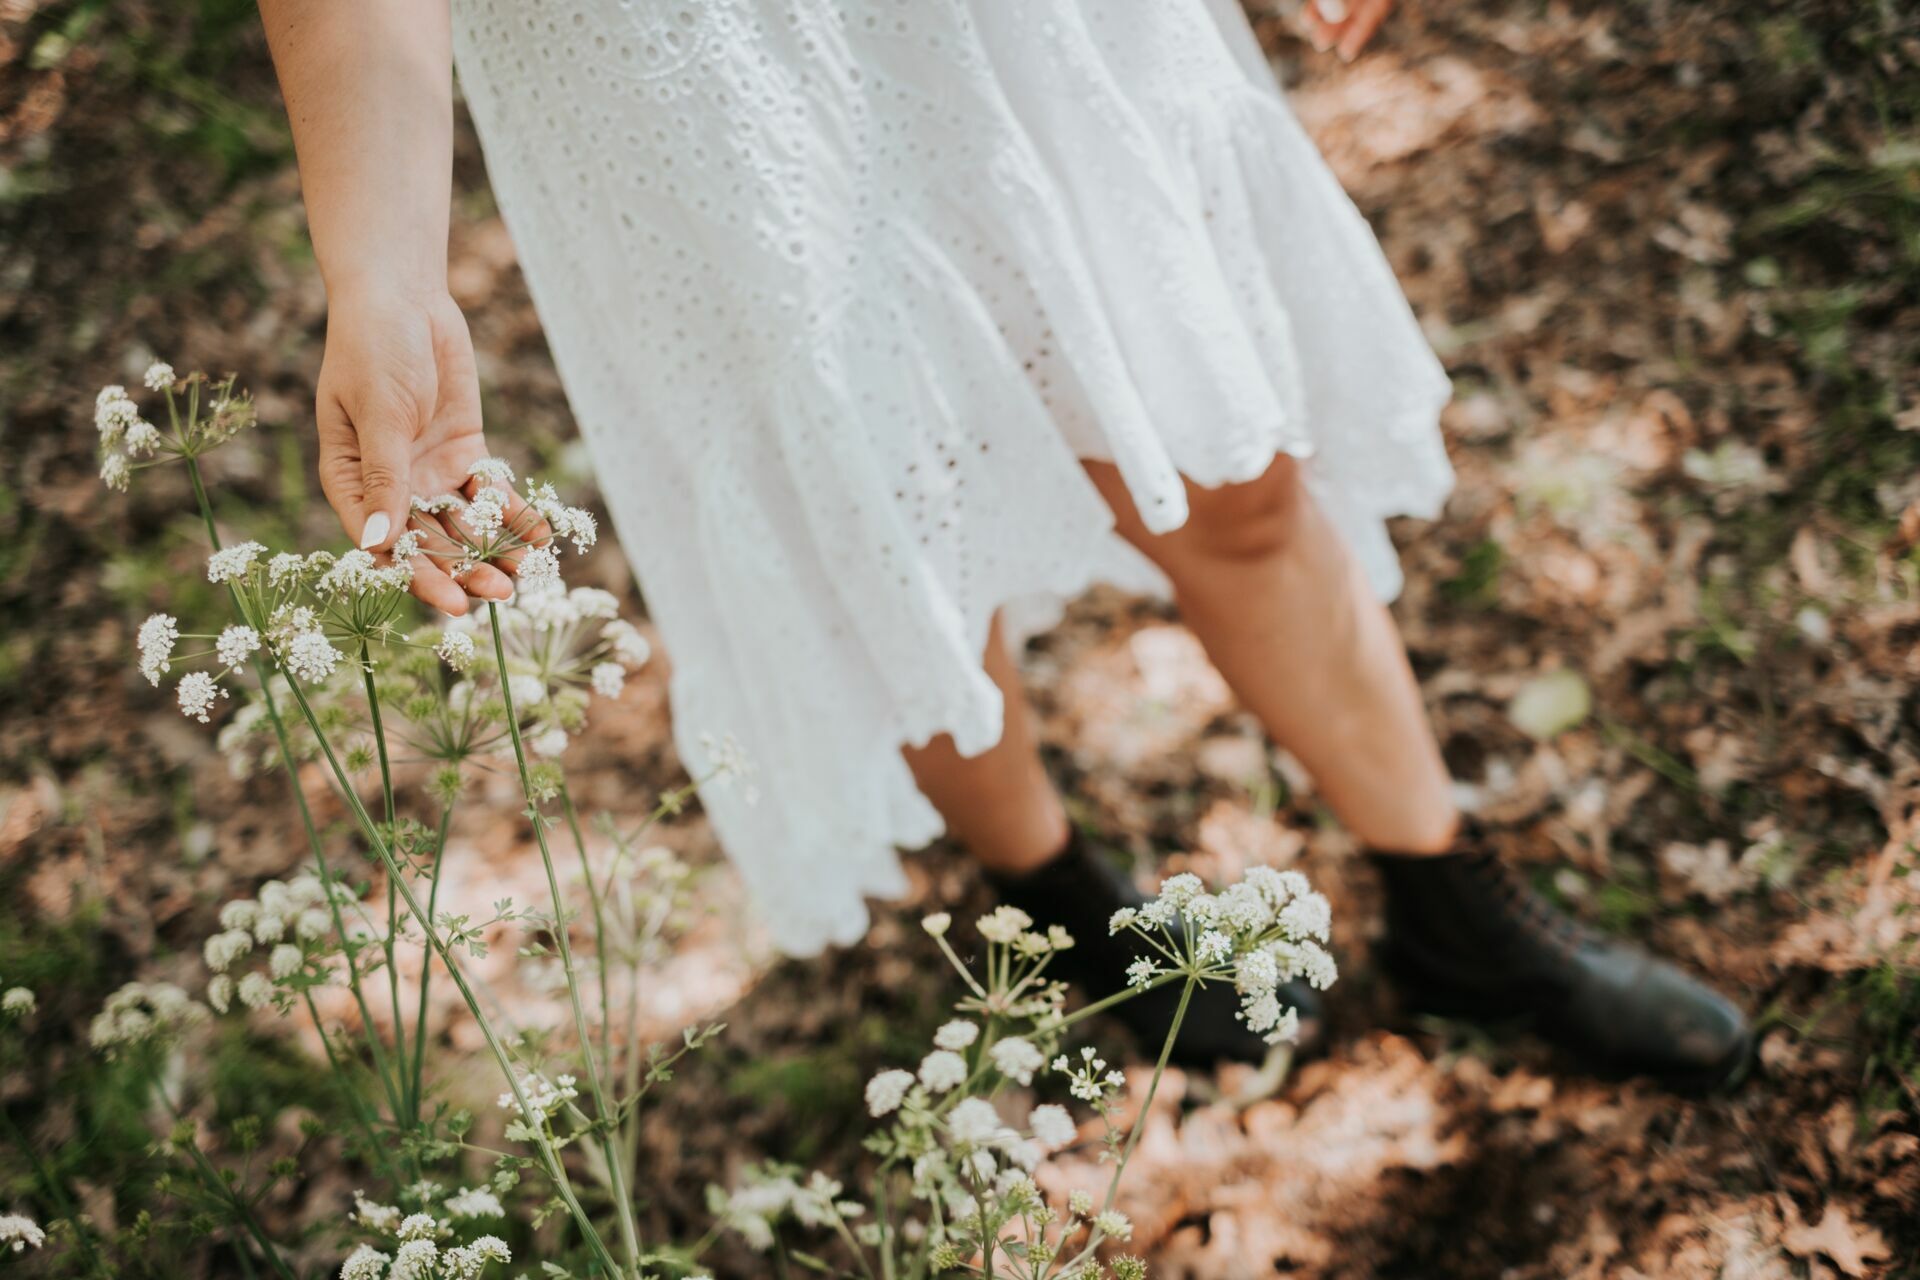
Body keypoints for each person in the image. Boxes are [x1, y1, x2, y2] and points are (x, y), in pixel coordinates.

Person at [258, 0, 1752, 1084]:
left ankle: (1455, 909)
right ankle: (1067, 909)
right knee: (890, 526)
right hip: (682, 85)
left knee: (1224, 454)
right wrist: (382, 275)